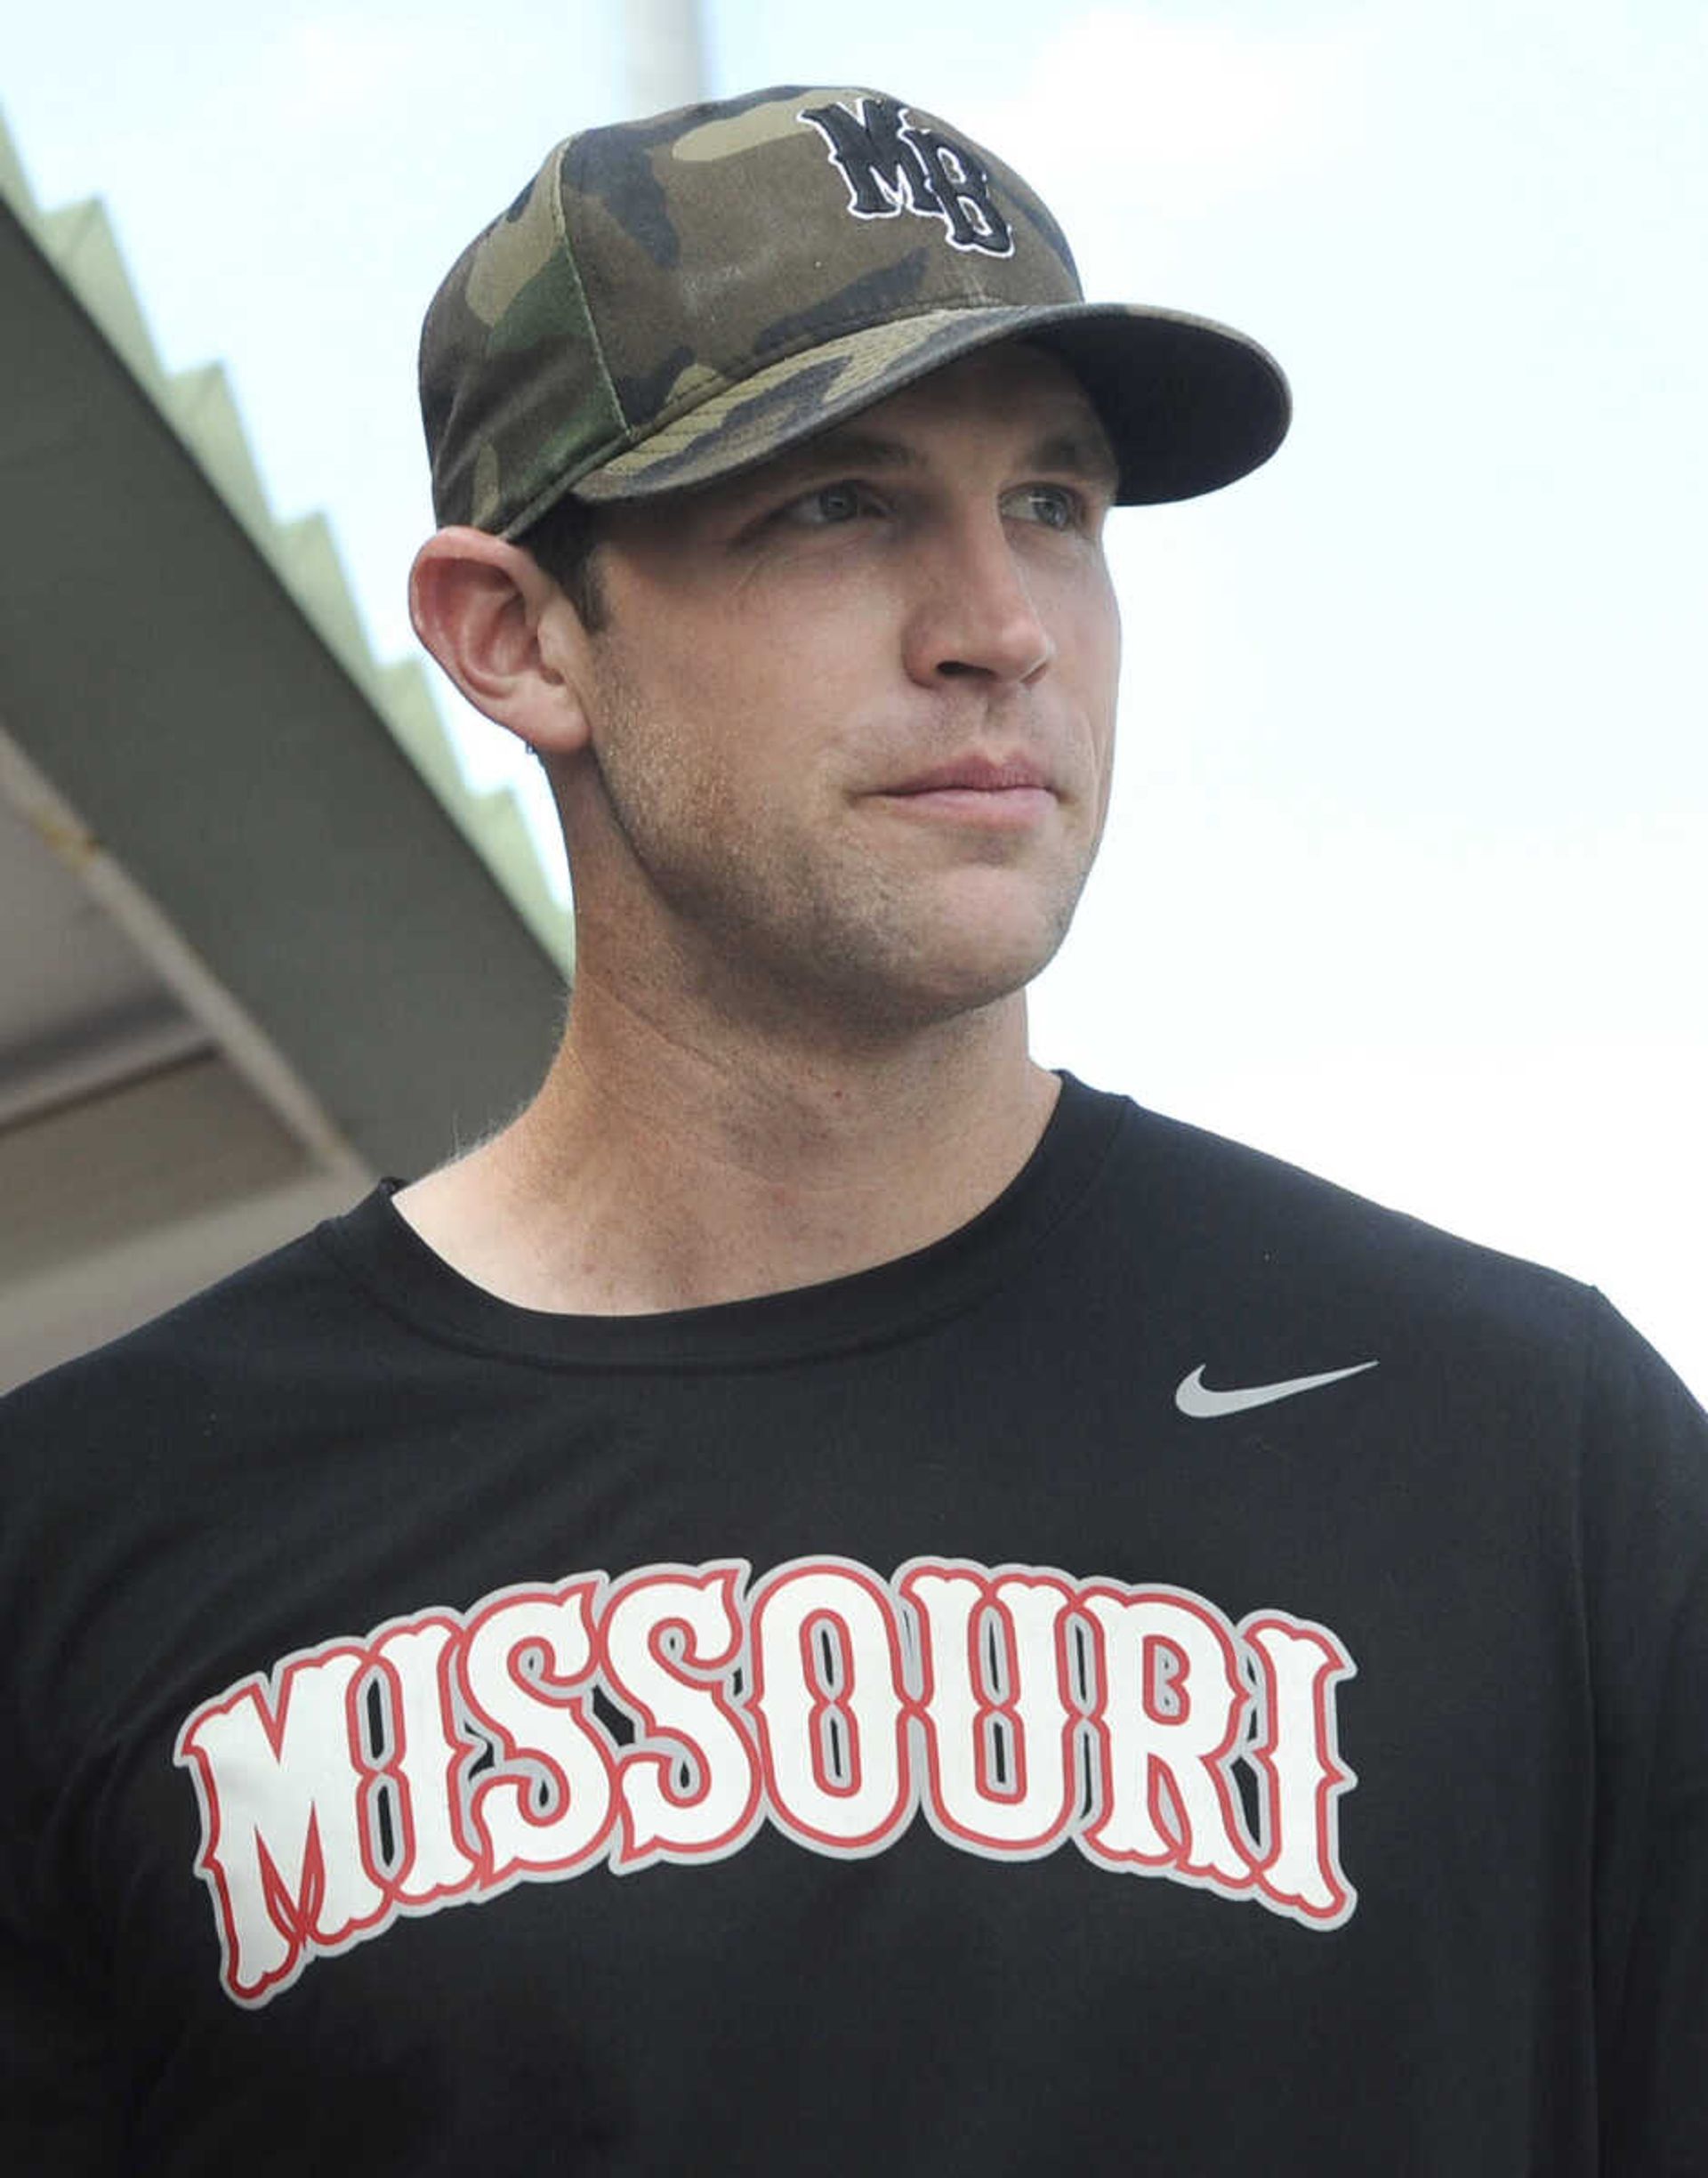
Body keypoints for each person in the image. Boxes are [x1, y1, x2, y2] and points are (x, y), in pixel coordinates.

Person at [2, 84, 1704, 2177]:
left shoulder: (1534, 1462)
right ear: (518, 634)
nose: (998, 624)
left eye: (1060, 507)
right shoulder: (89, 1544)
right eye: (839, 506)